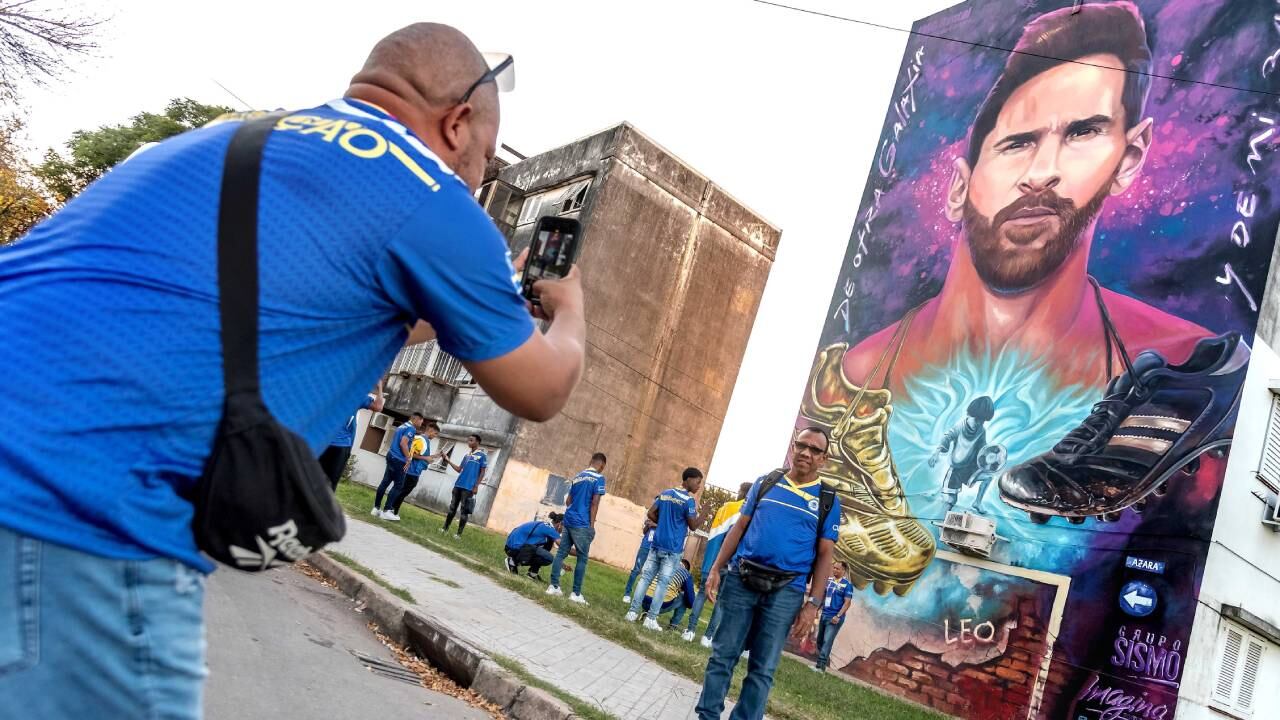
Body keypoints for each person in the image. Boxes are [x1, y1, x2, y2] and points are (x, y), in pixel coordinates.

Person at [0, 23, 587, 719]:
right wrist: (572, 312)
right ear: (458, 123)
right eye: (484, 163)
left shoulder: (232, 134)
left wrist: (470, 301)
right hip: (75, 519)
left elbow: (310, 305)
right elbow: (541, 387)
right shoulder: (432, 197)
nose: (474, 180)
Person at [799, 1, 1212, 596]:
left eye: (1083, 133)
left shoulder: (1180, 372)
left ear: (1129, 157)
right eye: (1017, 143)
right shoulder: (856, 376)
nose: (1042, 172)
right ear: (959, 186)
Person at [695, 427, 842, 720]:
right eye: (802, 445)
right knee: (722, 656)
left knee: (763, 669)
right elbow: (739, 528)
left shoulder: (827, 500)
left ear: (823, 459)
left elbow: (826, 555)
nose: (806, 453)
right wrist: (716, 568)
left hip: (786, 592)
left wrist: (812, 605)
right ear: (793, 447)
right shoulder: (767, 483)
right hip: (741, 579)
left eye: (815, 450)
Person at [626, 467, 703, 631]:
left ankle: (632, 612)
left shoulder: (666, 493)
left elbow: (651, 513)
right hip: (672, 549)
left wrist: (662, 524)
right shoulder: (688, 501)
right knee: (662, 583)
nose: (698, 487)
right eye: (698, 482)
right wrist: (704, 514)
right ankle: (651, 618)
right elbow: (693, 526)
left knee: (645, 578)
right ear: (688, 479)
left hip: (656, 544)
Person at [689, 481, 752, 645]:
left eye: (739, 490)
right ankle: (708, 637)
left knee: (702, 593)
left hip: (711, 558)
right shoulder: (746, 511)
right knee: (721, 601)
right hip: (729, 562)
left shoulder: (725, 507)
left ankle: (690, 630)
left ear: (742, 492)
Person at [547, 453, 607, 604]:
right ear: (602, 465)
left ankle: (553, 586)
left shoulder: (578, 476)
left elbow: (568, 501)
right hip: (582, 523)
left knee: (561, 553)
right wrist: (591, 525)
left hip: (569, 520)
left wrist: (574, 510)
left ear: (590, 461)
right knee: (582, 558)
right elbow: (595, 503)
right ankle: (576, 593)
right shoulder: (599, 478)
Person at [320, 383, 385, 490]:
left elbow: (378, 407)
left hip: (338, 444)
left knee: (325, 483)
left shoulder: (354, 395)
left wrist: (379, 387)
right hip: (326, 442)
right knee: (312, 479)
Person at [386, 420, 441, 520]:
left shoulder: (425, 441)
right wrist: (426, 458)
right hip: (411, 471)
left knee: (402, 492)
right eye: (435, 433)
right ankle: (391, 510)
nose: (435, 436)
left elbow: (422, 455)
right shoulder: (421, 439)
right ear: (430, 430)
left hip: (415, 471)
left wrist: (433, 456)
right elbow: (412, 453)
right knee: (402, 492)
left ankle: (392, 510)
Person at [373, 413, 423, 518]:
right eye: (421, 421)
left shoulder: (402, 425)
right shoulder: (411, 428)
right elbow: (403, 443)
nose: (421, 423)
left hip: (390, 455)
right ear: (416, 419)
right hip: (399, 459)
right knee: (399, 486)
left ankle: (376, 508)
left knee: (385, 482)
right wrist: (408, 458)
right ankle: (386, 511)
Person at [442, 434, 487, 537]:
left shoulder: (482, 455)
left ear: (477, 442)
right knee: (452, 508)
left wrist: (476, 486)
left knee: (464, 511)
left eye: (471, 440)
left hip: (469, 487)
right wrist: (448, 460)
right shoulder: (466, 456)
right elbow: (459, 469)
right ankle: (445, 528)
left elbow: (483, 472)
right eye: (468, 440)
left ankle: (458, 534)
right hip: (458, 485)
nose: (469, 442)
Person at [812, 562, 853, 673]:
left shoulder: (847, 585)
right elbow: (824, 596)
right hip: (824, 614)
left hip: (835, 617)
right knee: (820, 641)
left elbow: (847, 602)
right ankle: (821, 664)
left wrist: (838, 615)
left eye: (837, 569)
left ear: (843, 571)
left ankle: (820, 667)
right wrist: (816, 609)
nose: (834, 570)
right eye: (834, 568)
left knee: (827, 641)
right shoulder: (829, 581)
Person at [505, 512, 563, 580]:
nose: (565, 531)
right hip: (514, 549)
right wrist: (578, 552)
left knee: (547, 547)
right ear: (560, 524)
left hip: (513, 547)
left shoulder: (546, 526)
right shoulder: (550, 529)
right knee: (549, 557)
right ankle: (512, 561)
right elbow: (563, 545)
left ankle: (533, 573)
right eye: (566, 528)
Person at [640, 558, 696, 626]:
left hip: (643, 600)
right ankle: (673, 624)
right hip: (659, 605)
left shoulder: (664, 565)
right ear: (686, 569)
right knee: (684, 597)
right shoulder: (685, 573)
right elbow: (690, 600)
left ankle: (646, 612)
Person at [621, 517, 656, 604]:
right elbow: (644, 532)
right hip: (645, 547)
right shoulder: (652, 516)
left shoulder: (665, 518)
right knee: (636, 570)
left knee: (649, 575)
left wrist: (655, 525)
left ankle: (642, 597)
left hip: (655, 549)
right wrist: (648, 525)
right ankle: (627, 594)